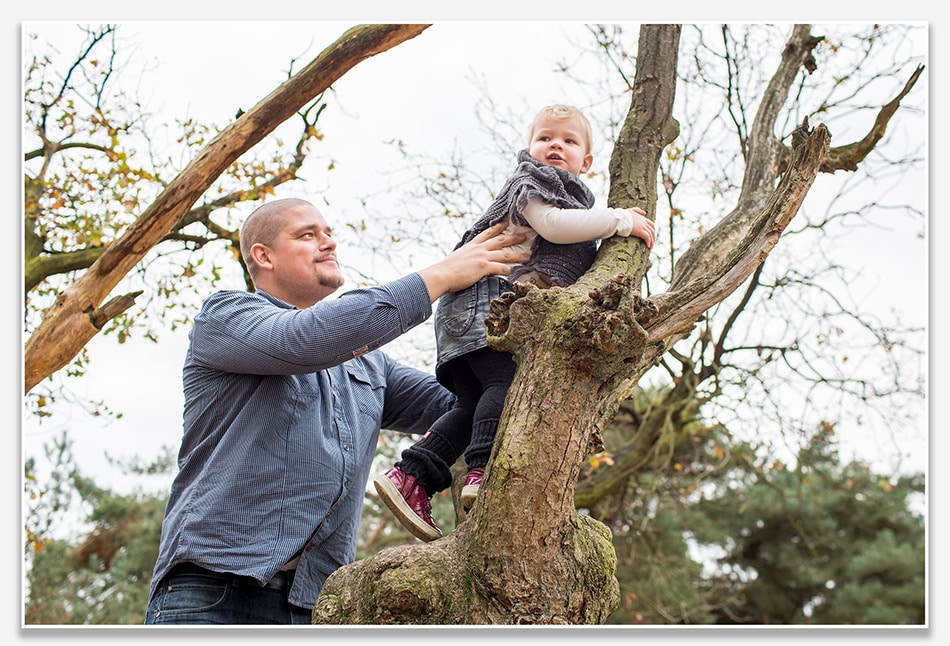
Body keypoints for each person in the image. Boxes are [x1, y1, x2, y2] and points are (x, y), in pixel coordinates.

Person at [144, 197, 528, 625]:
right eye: (307, 235)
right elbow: (305, 339)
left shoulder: (371, 367)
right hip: (212, 592)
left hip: (315, 606)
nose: (328, 243)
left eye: (328, 233)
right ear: (263, 256)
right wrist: (443, 274)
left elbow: (469, 405)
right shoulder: (224, 318)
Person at [373, 105, 656, 542]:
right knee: (504, 384)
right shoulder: (533, 181)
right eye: (545, 137)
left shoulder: (564, 191)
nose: (555, 145)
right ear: (529, 148)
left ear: (587, 161)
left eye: (568, 140)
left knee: (470, 406)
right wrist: (621, 220)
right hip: (485, 300)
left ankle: (413, 476)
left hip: (470, 308)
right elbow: (554, 226)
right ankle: (482, 471)